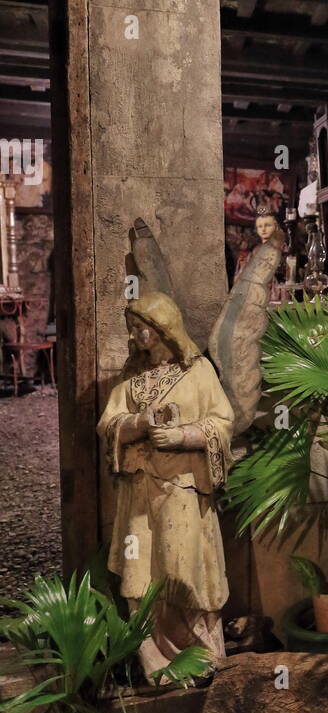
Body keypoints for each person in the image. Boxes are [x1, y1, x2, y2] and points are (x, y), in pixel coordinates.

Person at [96, 291, 234, 682]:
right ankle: (153, 660)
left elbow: (223, 423)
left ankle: (201, 658)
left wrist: (185, 437)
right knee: (140, 573)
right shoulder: (132, 380)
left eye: (147, 328)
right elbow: (107, 424)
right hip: (139, 493)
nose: (140, 336)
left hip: (182, 490)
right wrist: (135, 425)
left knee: (185, 571)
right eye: (135, 329)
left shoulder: (198, 372)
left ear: (166, 328)